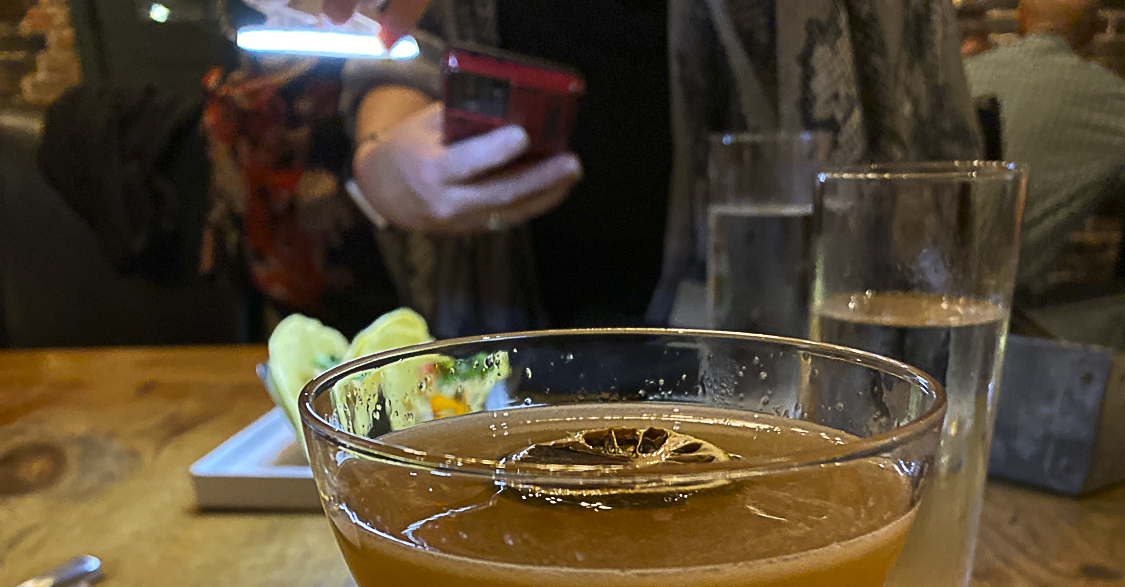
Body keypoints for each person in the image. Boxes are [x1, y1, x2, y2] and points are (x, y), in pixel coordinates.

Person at [329, 0, 981, 334]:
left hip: (794, 364)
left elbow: (908, 99)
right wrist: (384, 163)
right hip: (518, 362)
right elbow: (401, 55)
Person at [966, 0, 1125, 293]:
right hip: (1004, 304)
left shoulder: (963, 74)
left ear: (1020, 18)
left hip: (915, 290)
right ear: (1095, 28)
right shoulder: (1111, 98)